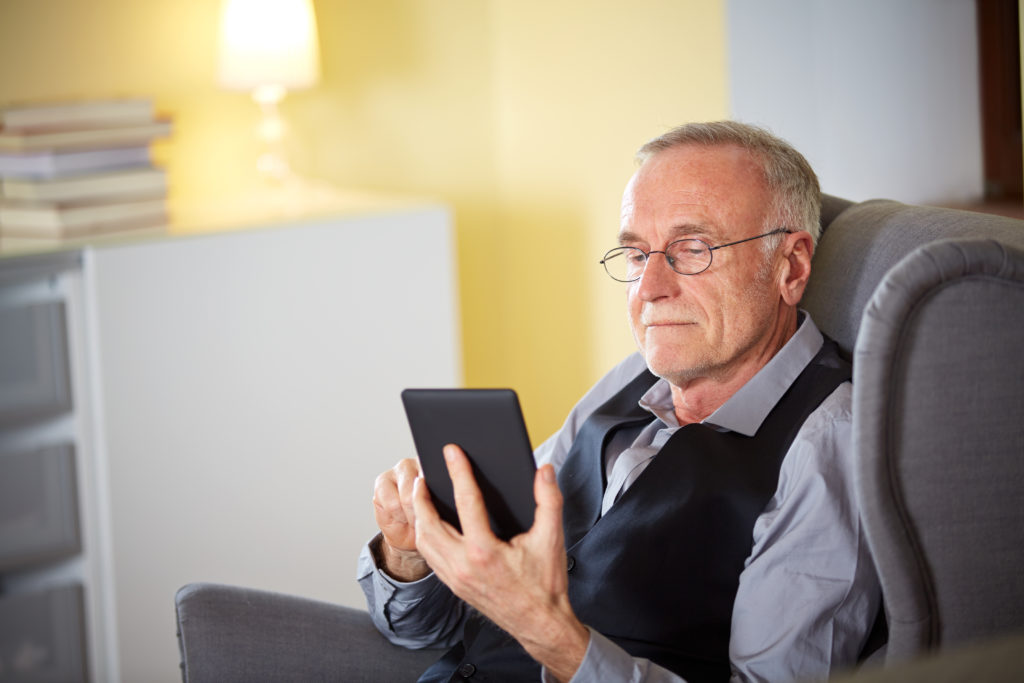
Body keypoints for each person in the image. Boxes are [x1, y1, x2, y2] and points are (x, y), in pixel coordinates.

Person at [358, 121, 881, 682]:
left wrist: (547, 631)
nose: (650, 288)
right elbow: (425, 630)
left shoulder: (828, 445)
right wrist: (410, 556)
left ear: (791, 267)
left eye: (692, 248)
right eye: (636, 255)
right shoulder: (639, 375)